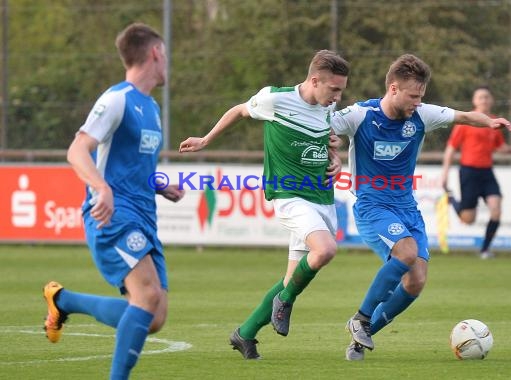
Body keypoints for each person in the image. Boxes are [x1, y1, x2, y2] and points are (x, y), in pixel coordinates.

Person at [330, 54, 511, 360]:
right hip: (372, 205)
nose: (418, 102)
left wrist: (491, 123)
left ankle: (361, 339)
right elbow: (321, 125)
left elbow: (466, 116)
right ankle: (360, 318)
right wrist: (330, 151)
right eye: (413, 96)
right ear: (393, 88)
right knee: (406, 253)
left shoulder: (422, 115)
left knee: (416, 281)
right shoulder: (361, 115)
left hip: (406, 207)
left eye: (421, 96)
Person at [179, 50, 349, 359]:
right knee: (324, 250)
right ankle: (284, 301)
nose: (338, 96)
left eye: (340, 90)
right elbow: (240, 110)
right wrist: (206, 139)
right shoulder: (274, 99)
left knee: (291, 278)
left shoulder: (327, 107)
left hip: (321, 197)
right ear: (314, 81)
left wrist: (336, 158)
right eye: (334, 89)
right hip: (289, 196)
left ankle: (244, 334)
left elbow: (326, 139)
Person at [43, 23, 185, 379]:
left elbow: (131, 166)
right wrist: (101, 188)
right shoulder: (116, 98)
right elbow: (77, 150)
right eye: (165, 54)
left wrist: (160, 185)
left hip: (143, 217)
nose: (167, 61)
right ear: (154, 53)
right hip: (113, 216)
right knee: (148, 296)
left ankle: (64, 301)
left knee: (153, 317)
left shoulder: (150, 107)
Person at [441, 86, 511, 259]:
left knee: (496, 209)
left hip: (487, 172)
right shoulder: (466, 121)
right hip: (469, 171)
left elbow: (499, 147)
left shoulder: (495, 122)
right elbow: (451, 148)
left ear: (491, 101)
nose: (484, 100)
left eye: (487, 97)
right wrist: (445, 173)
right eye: (480, 97)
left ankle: (484, 250)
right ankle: (452, 199)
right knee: (468, 219)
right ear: (474, 101)